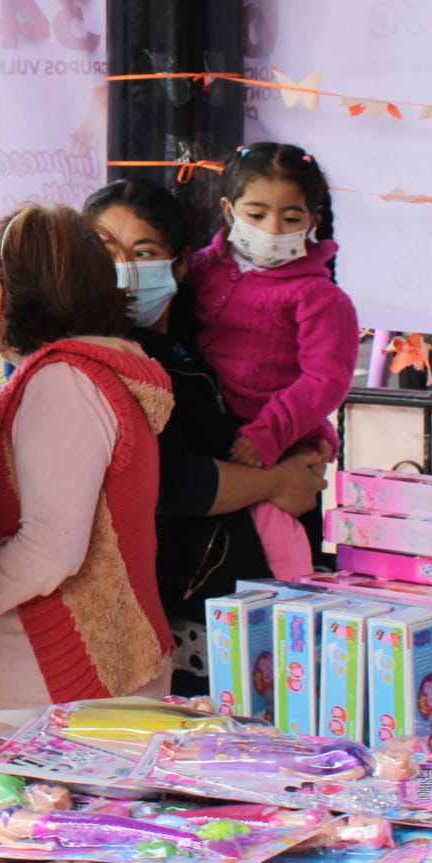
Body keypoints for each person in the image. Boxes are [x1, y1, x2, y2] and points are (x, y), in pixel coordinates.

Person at [0, 205, 176, 751]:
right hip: (51, 695)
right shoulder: (78, 377)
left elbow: (49, 551)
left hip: (52, 696)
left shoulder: (61, 382)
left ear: (0, 296)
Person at [84, 179, 330, 690]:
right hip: (169, 611)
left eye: (143, 251)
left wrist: (305, 438)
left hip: (247, 590)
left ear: (178, 264)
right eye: (104, 250)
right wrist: (276, 483)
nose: (123, 269)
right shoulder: (102, 360)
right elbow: (170, 482)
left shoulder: (205, 346)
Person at [183, 143, 359, 581]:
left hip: (278, 448)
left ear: (313, 221)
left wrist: (268, 434)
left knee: (277, 569)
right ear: (228, 210)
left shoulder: (319, 296)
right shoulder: (199, 269)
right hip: (213, 439)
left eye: (291, 218)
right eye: (257, 214)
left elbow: (326, 380)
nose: (272, 228)